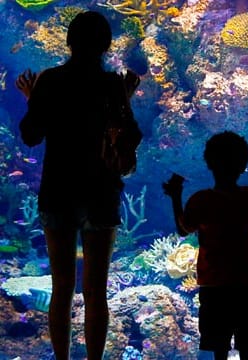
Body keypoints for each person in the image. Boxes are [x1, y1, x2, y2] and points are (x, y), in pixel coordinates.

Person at [16, 11, 142, 360]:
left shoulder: (50, 80)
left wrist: (35, 100)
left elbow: (30, 135)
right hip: (101, 193)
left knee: (61, 288)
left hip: (58, 191)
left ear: (69, 41)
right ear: (106, 45)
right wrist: (124, 99)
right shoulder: (114, 85)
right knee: (95, 290)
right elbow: (129, 135)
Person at [162, 131, 248, 360]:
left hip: (213, 283)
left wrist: (175, 196)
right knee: (247, 344)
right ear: (244, 164)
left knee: (218, 344)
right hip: (244, 281)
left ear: (209, 163)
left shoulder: (201, 199)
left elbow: (184, 229)